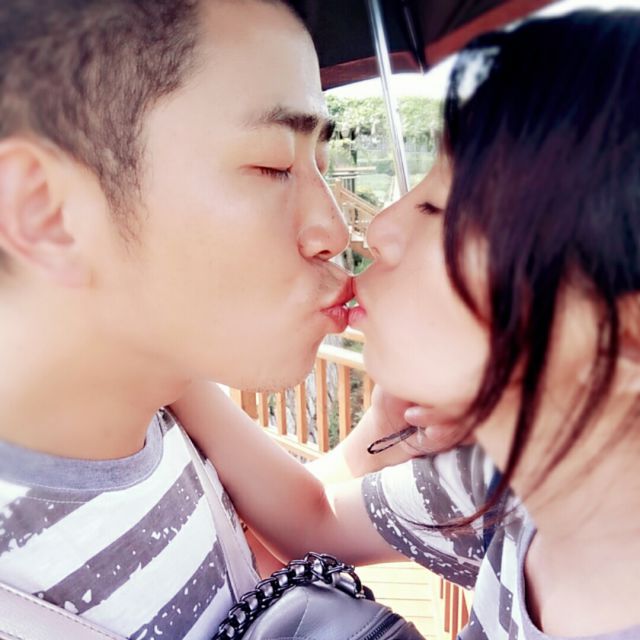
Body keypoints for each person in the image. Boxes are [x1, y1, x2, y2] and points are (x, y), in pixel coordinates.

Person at [174, 9, 640, 639]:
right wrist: (172, 369)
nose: (379, 227)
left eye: (439, 206)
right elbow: (313, 520)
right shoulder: (501, 489)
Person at [0, 0, 391, 637]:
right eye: (273, 166)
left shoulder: (171, 401)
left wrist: (382, 428)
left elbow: (293, 514)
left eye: (319, 168)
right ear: (45, 211)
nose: (333, 231)